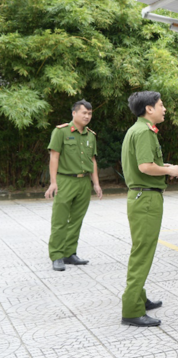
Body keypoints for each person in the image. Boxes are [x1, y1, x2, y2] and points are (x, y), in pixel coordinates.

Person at [120, 91, 178, 327]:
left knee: (140, 249)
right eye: (161, 105)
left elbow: (142, 165)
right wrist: (170, 170)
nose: (164, 109)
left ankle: (139, 297)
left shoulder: (135, 130)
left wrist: (162, 166)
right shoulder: (144, 132)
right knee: (143, 252)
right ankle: (132, 309)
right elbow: (145, 167)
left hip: (141, 196)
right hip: (146, 198)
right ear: (149, 109)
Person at [46, 99, 103, 271]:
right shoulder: (61, 132)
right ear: (74, 113)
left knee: (77, 219)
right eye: (84, 113)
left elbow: (92, 160)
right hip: (65, 180)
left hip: (84, 182)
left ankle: (69, 253)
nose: (87, 116)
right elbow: (54, 157)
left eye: (90, 113)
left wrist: (96, 183)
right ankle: (56, 255)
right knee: (60, 220)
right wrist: (53, 182)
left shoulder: (91, 135)